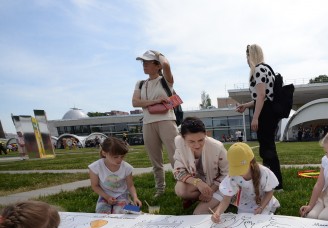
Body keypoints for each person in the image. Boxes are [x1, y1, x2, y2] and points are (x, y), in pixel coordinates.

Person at [235, 44, 283, 191]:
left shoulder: (258, 70)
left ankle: (276, 184)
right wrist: (247, 105)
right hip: (268, 110)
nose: (246, 59)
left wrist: (255, 117)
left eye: (247, 55)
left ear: (251, 55)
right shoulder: (267, 69)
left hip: (265, 112)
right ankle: (272, 182)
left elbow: (261, 96)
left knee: (267, 149)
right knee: (267, 147)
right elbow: (261, 97)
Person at [132, 50, 179, 198]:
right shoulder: (140, 83)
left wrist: (158, 53)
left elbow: (166, 63)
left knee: (175, 157)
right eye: (143, 62)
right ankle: (160, 189)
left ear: (157, 65)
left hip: (166, 121)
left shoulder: (166, 80)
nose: (144, 65)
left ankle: (183, 186)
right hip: (148, 122)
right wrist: (156, 101)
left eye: (147, 62)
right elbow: (135, 102)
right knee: (155, 160)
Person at [211, 143, 279, 223]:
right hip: (246, 203)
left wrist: (261, 207)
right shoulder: (233, 176)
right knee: (243, 221)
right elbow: (226, 199)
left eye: (241, 169)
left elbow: (269, 192)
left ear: (251, 163)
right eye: (235, 169)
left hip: (263, 202)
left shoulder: (264, 173)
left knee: (260, 221)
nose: (238, 173)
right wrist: (218, 212)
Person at [173, 117, 229, 214]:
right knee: (180, 190)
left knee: (198, 213)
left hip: (218, 185)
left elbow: (228, 173)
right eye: (191, 141)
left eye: (201, 140)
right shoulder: (179, 143)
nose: (197, 145)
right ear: (183, 137)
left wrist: (210, 190)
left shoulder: (217, 147)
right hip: (200, 182)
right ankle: (201, 198)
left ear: (205, 134)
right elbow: (178, 172)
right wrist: (197, 183)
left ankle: (225, 201)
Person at [88, 137, 141, 214]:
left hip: (121, 194)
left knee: (119, 212)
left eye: (122, 156)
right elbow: (95, 186)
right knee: (101, 213)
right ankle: (130, 207)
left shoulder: (127, 167)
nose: (119, 160)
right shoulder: (95, 167)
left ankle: (132, 208)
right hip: (104, 195)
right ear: (104, 153)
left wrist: (135, 197)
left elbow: (130, 186)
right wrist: (107, 197)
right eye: (115, 157)